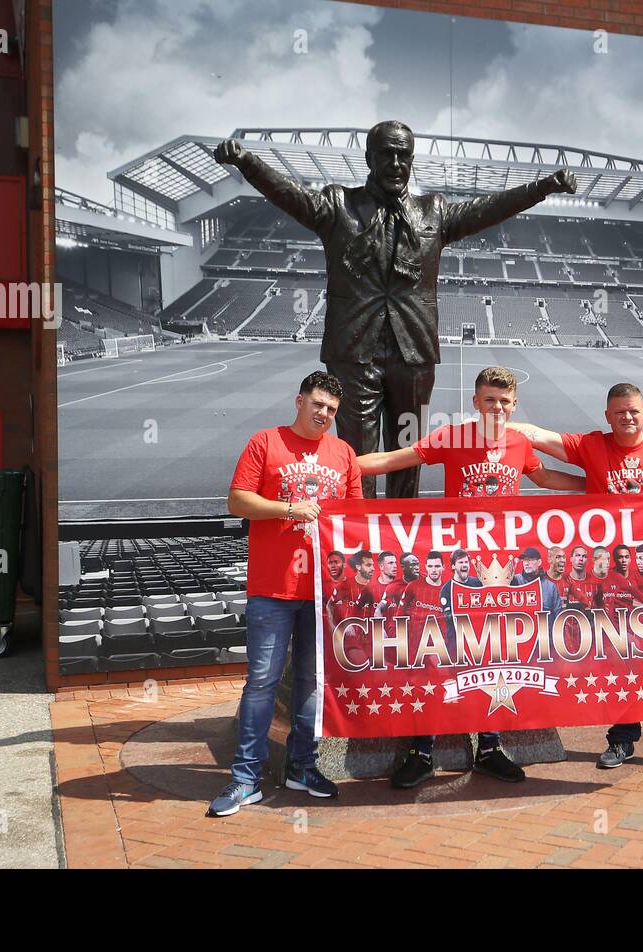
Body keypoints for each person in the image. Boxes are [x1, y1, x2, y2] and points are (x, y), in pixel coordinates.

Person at [214, 123, 577, 499]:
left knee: (409, 449)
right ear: (369, 158)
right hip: (354, 352)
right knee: (357, 453)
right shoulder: (339, 205)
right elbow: (289, 195)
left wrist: (542, 188)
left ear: (412, 160)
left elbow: (489, 209)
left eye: (403, 154)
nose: (395, 162)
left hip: (413, 352)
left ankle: (400, 534)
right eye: (386, 153)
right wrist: (248, 163)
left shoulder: (433, 211)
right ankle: (359, 533)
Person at [358, 365, 583, 788]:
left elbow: (545, 476)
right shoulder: (452, 437)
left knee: (496, 655)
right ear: (475, 402)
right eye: (489, 400)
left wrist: (596, 485)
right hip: (456, 570)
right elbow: (394, 459)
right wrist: (341, 469)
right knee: (439, 657)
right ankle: (422, 751)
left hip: (502, 574)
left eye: (504, 401)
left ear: (514, 405)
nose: (497, 407)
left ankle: (490, 748)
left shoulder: (519, 442)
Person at [509, 382, 643, 776]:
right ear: (608, 416)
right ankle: (623, 738)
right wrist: (493, 419)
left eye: (634, 411)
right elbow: (537, 436)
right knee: (620, 664)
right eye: (619, 411)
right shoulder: (592, 446)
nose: (627, 416)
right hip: (610, 588)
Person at [208, 371, 363, 817]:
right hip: (273, 587)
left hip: (323, 592)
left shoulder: (343, 453)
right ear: (299, 401)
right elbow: (238, 501)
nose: (324, 415)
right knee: (261, 683)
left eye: (332, 410)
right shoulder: (266, 442)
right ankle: (245, 778)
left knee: (313, 684)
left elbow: (355, 515)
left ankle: (302, 765)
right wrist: (289, 508)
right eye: (317, 405)